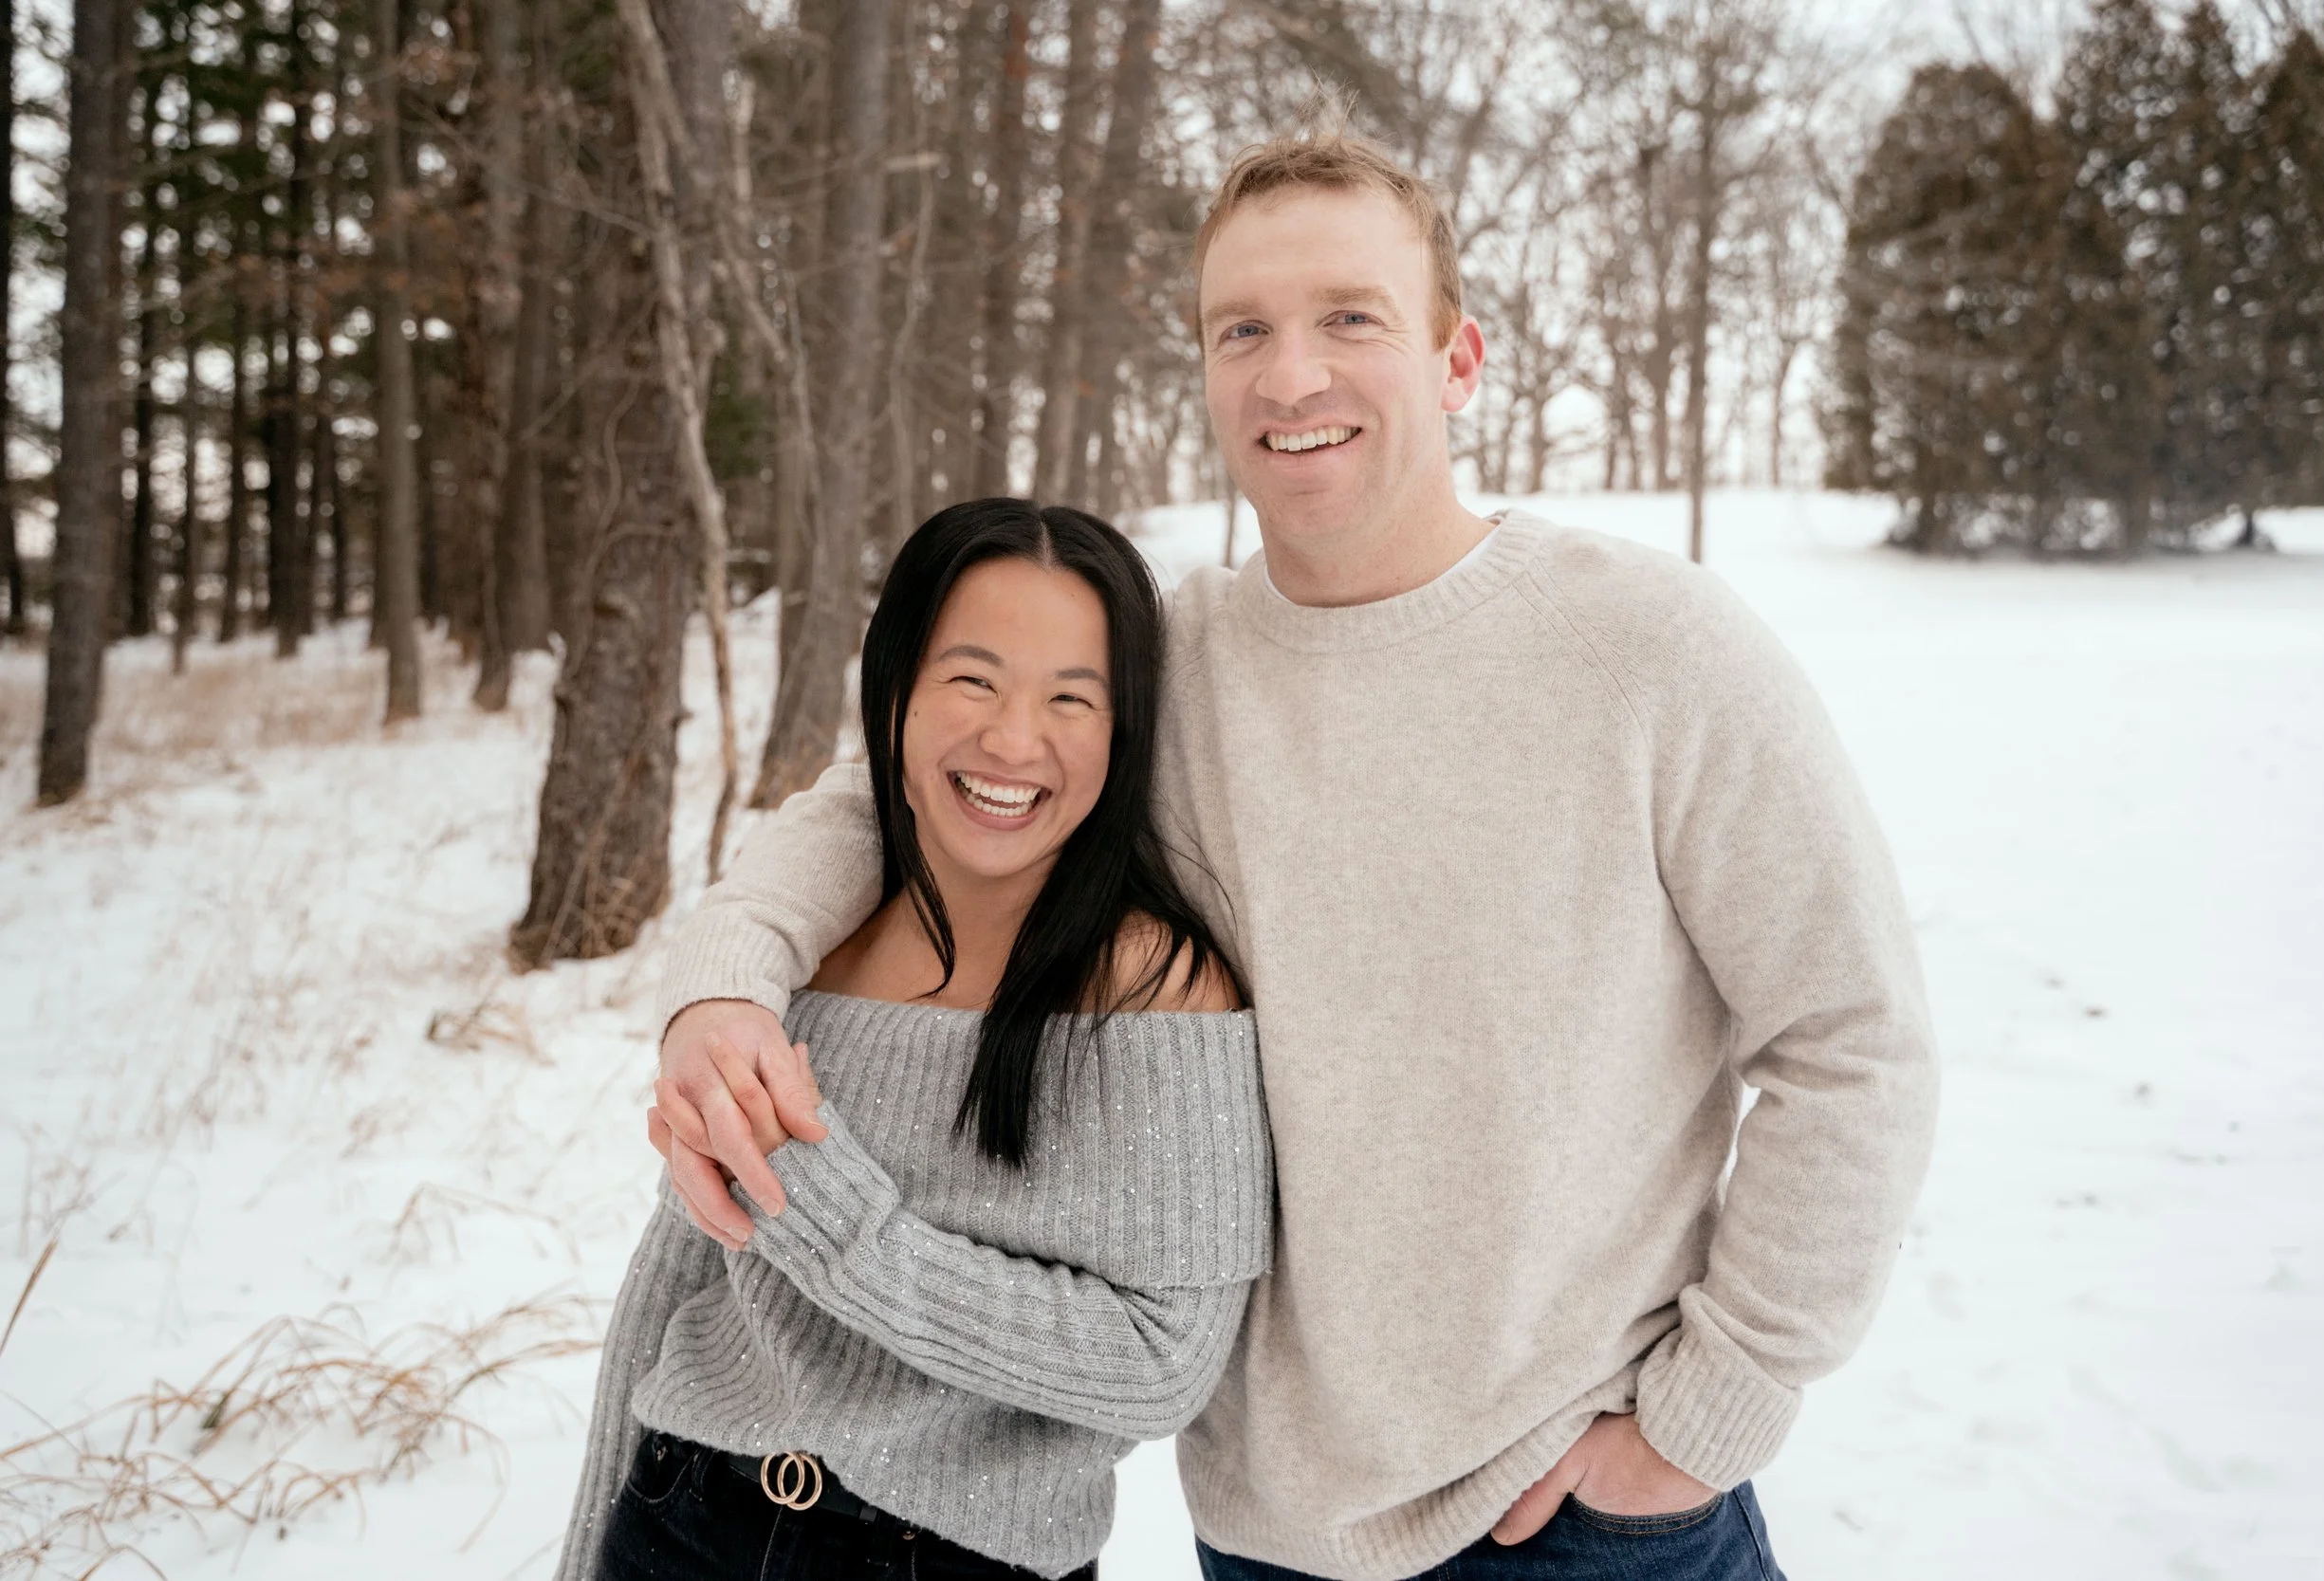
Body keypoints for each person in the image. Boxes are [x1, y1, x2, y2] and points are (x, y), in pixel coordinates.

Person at [646, 126, 1938, 1581]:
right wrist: (723, 987)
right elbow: (880, 796)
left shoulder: (1653, 647)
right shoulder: (1169, 663)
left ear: (1458, 361)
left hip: (1582, 1519)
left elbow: (1855, 1040)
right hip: (1264, 1535)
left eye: (1350, 318)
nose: (1291, 374)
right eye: (1242, 330)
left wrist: (1708, 1418)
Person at [555, 499, 1267, 1581]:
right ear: (896, 691)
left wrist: (833, 1218)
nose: (1013, 741)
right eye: (973, 679)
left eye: (1071, 697)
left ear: (1123, 730)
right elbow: (678, 1271)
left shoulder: (1156, 990)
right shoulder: (806, 949)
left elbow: (1159, 1363)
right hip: (683, 1518)